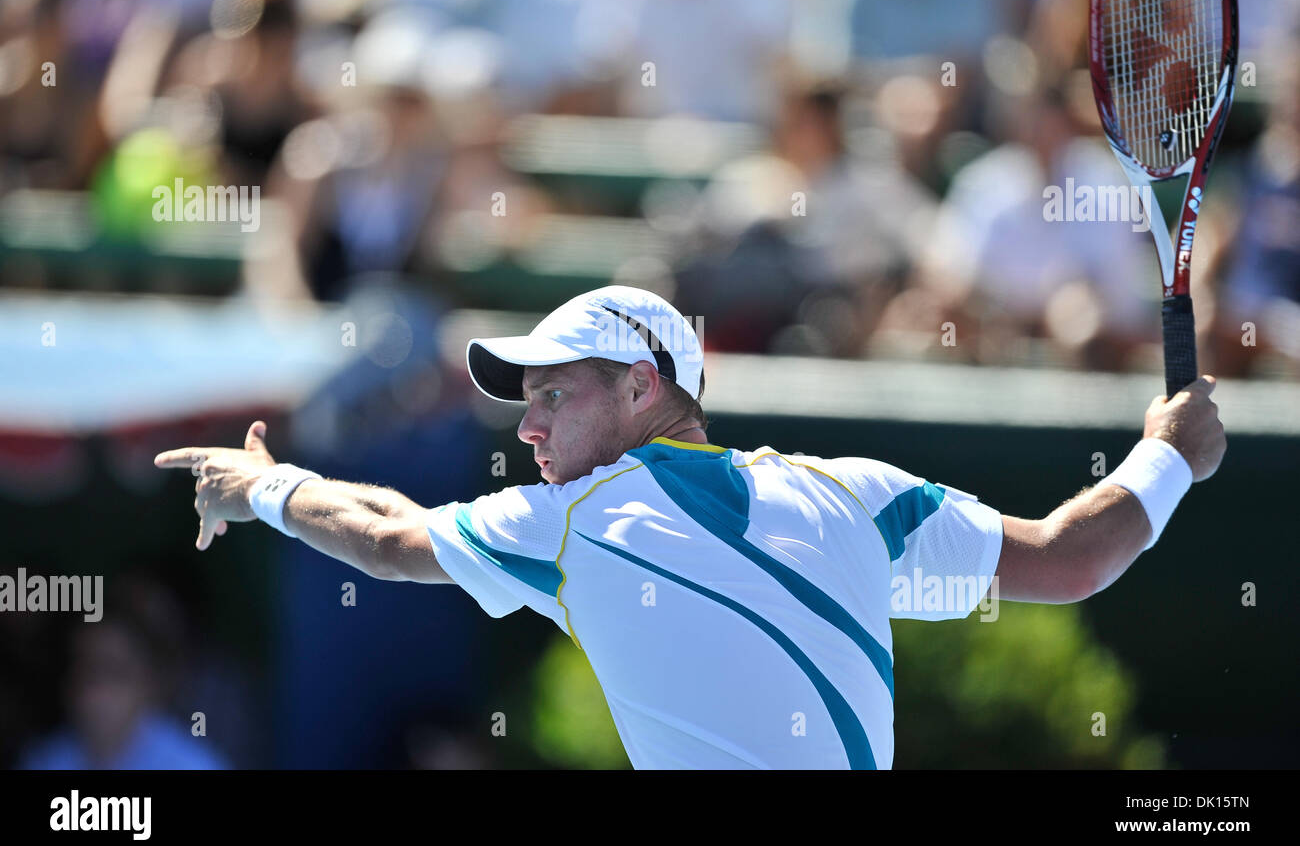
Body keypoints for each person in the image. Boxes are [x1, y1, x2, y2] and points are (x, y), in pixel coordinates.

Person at [154, 285, 1225, 769]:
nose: (526, 425)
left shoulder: (570, 522)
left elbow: (386, 536)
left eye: (552, 394)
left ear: (637, 386)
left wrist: (263, 487)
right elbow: (1075, 555)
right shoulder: (856, 493)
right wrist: (1170, 452)